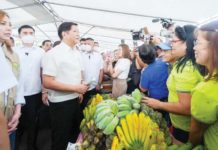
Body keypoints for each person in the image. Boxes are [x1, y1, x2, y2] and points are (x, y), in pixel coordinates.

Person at [142, 25, 203, 143]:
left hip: (186, 129)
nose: (171, 44)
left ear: (187, 43)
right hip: (181, 125)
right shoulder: (182, 63)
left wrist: (158, 104)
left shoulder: (186, 69)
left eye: (174, 41)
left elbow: (186, 108)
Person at [42, 22, 88, 150]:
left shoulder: (77, 53)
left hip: (75, 100)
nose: (78, 34)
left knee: (74, 136)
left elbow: (78, 74)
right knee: (60, 138)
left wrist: (80, 89)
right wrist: (75, 88)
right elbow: (47, 82)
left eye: (79, 31)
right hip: (61, 104)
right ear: (64, 34)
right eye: (75, 31)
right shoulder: (53, 53)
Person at [14, 25, 44, 150]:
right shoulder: (13, 51)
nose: (28, 35)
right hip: (16, 93)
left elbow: (43, 71)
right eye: (25, 33)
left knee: (33, 122)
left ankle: (31, 146)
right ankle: (14, 145)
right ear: (20, 35)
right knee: (16, 123)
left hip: (34, 93)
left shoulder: (41, 52)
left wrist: (44, 90)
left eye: (31, 32)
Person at [189, 20, 218, 149]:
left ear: (215, 47)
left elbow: (196, 133)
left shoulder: (205, 91)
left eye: (198, 43)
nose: (194, 47)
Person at [0, 10, 25, 150]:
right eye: (3, 24)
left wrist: (17, 111)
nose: (9, 28)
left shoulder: (12, 55)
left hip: (9, 119)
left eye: (10, 24)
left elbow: (18, 84)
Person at [81, 37, 104, 110]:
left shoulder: (98, 56)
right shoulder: (80, 55)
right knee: (83, 106)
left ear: (93, 45)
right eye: (86, 44)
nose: (87, 45)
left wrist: (99, 83)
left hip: (95, 86)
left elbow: (101, 70)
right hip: (83, 86)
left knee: (95, 106)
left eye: (89, 44)